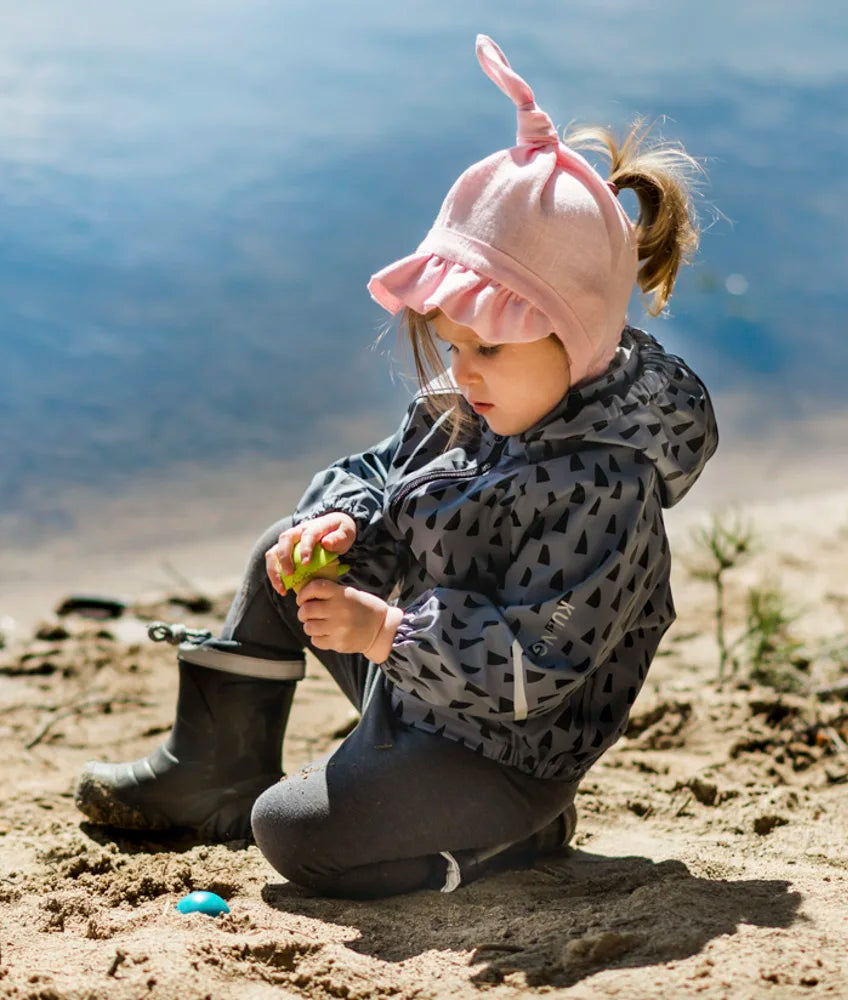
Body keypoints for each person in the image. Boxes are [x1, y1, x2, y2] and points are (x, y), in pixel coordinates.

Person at [75, 35, 718, 898]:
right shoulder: (477, 402)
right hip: (421, 685)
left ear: (581, 335)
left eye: (489, 342)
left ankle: (512, 840)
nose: (466, 368)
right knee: (293, 545)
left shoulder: (608, 486)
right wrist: (342, 523)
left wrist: (385, 632)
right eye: (454, 343)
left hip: (504, 752)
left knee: (295, 833)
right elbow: (380, 474)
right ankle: (214, 767)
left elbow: (533, 670)